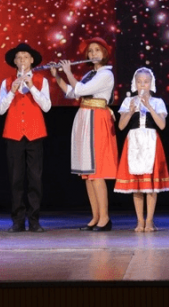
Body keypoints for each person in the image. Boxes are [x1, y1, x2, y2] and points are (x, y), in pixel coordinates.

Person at [52, 37, 118, 232]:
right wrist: (58, 76)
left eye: (97, 50)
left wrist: (68, 72)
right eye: (90, 51)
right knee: (87, 174)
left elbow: (81, 90)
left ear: (104, 53)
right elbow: (73, 93)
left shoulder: (106, 74)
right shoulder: (90, 74)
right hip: (85, 117)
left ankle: (105, 218)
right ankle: (95, 217)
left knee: (96, 172)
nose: (93, 54)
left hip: (97, 118)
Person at [0, 43, 51, 232]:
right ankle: (18, 220)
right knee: (16, 179)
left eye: (25, 57)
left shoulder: (41, 81)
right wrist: (12, 91)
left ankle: (34, 220)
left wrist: (32, 87)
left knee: (35, 178)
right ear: (14, 61)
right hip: (14, 134)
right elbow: (0, 109)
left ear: (32, 60)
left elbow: (47, 107)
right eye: (19, 58)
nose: (22, 61)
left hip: (35, 134)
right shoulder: (7, 82)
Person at [114, 68, 169, 232]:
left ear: (151, 83)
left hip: (151, 142)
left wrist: (149, 107)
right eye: (139, 82)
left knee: (151, 185)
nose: (142, 85)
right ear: (135, 83)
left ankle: (150, 221)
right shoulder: (128, 101)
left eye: (145, 82)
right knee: (137, 185)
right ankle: (140, 221)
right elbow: (121, 126)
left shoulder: (158, 102)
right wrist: (130, 111)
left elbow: (162, 125)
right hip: (134, 143)